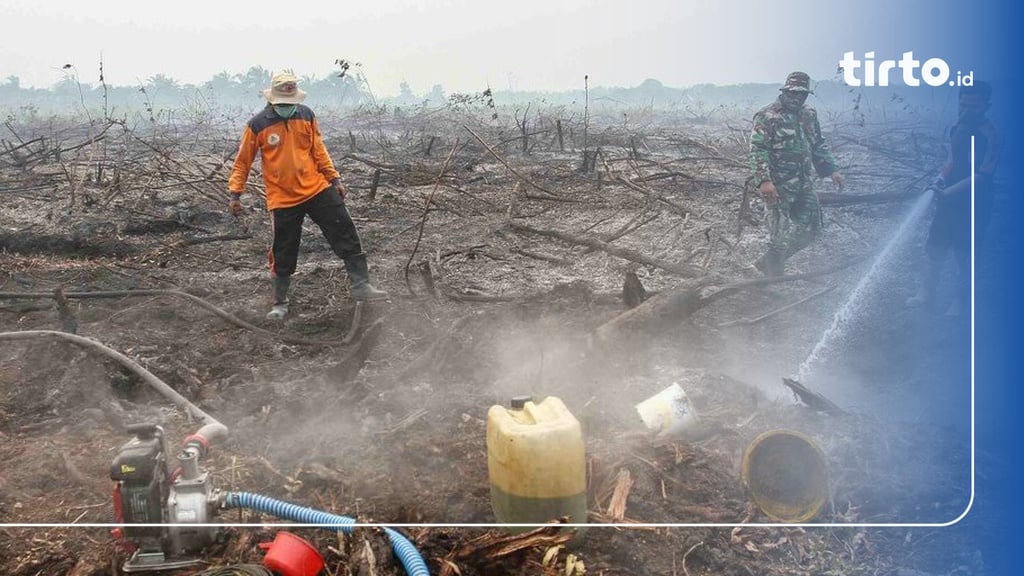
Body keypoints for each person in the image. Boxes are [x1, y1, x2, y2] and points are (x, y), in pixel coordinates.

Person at [227, 70, 388, 320]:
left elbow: (319, 149)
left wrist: (334, 178)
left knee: (344, 230)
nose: (287, 108)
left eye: (291, 104)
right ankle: (280, 302)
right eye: (282, 104)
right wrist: (235, 193)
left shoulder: (306, 115)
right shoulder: (257, 125)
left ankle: (361, 286)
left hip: (317, 187)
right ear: (272, 100)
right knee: (284, 248)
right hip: (283, 197)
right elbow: (242, 162)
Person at [906, 81, 1001, 316]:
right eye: (963, 104)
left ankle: (961, 302)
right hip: (948, 199)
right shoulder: (956, 128)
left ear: (986, 106)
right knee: (933, 248)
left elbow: (982, 176)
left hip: (975, 203)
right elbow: (951, 162)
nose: (967, 110)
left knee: (965, 255)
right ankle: (926, 293)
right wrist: (939, 181)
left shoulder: (992, 135)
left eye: (974, 107)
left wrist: (948, 192)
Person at [749, 71, 844, 276]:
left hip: (803, 182)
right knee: (778, 238)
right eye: (793, 93)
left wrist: (831, 169)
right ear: (785, 91)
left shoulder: (808, 114)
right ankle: (770, 283)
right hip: (778, 185)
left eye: (802, 94)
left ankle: (768, 263)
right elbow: (758, 149)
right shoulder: (767, 116)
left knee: (812, 229)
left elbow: (817, 143)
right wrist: (764, 181)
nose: (797, 98)